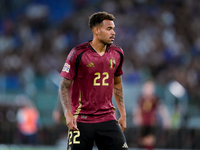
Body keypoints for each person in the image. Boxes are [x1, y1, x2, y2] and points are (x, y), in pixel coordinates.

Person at [58, 11, 128, 150]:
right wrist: (67, 113)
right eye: (109, 29)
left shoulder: (118, 53)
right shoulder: (78, 53)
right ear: (96, 30)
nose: (113, 32)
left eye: (113, 28)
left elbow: (118, 83)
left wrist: (123, 113)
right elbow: (63, 86)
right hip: (81, 120)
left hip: (107, 118)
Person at [133, 80, 170, 150]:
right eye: (147, 88)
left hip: (152, 123)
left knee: (151, 141)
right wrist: (136, 117)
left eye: (150, 88)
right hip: (143, 124)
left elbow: (162, 109)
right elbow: (137, 109)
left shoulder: (155, 98)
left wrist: (166, 119)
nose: (148, 90)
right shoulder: (141, 98)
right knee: (142, 141)